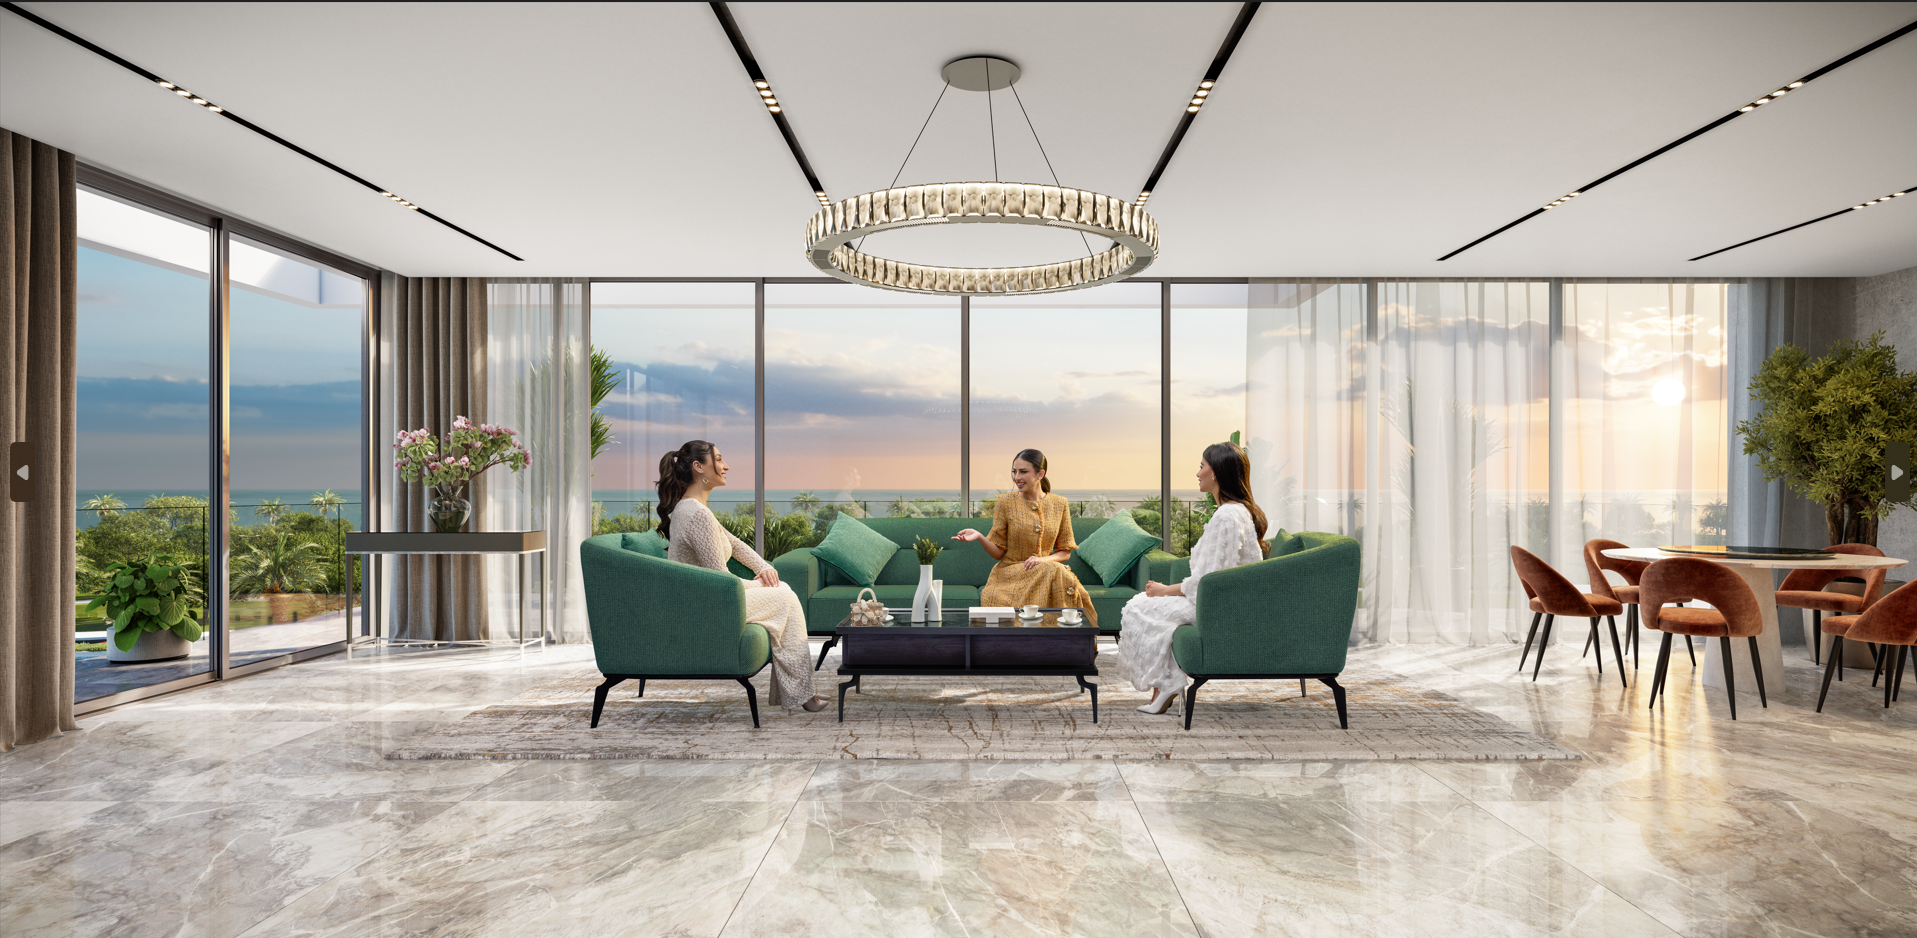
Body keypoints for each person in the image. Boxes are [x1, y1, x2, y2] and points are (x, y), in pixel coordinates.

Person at [657, 440, 826, 713]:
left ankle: (802, 692)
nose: (726, 466)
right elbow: (720, 581)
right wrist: (759, 583)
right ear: (700, 467)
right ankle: (802, 693)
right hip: (706, 605)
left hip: (707, 597)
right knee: (786, 596)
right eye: (719, 459)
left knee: (781, 589)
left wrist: (763, 568)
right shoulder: (696, 514)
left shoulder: (693, 508)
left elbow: (734, 544)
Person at [1120, 442, 1270, 714]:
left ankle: (1166, 685)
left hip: (1220, 607)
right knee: (1142, 605)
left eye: (1202, 466)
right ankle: (1164, 687)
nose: (1197, 473)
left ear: (1217, 473)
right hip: (1223, 600)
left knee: (1138, 607)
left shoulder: (1228, 516)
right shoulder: (1232, 512)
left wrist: (1166, 590)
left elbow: (1209, 583)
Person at [952, 448, 1098, 629]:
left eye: (1023, 471)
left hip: (1047, 571)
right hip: (1010, 574)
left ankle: (1063, 645)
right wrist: (980, 537)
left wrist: (1042, 560)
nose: (1016, 477)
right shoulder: (1005, 502)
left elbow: (1064, 552)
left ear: (1040, 474)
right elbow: (998, 553)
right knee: (1059, 572)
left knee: (1055, 570)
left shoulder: (1060, 503)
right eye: (1014, 471)